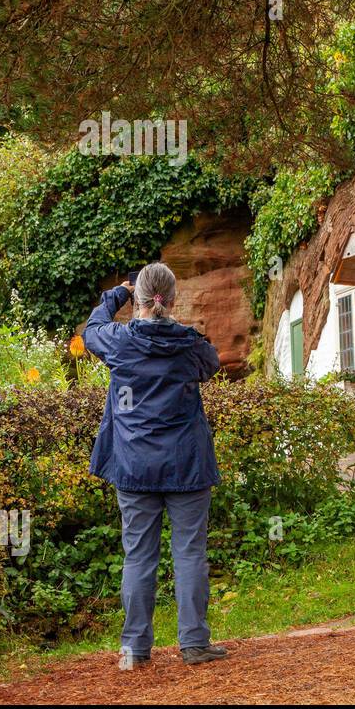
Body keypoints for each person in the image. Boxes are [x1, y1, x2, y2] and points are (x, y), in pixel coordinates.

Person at [83, 262, 228, 666]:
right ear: (172, 298)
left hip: (134, 468)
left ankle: (134, 648)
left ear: (140, 299)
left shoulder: (119, 343)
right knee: (189, 553)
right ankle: (195, 644)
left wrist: (116, 295)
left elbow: (91, 331)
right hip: (187, 465)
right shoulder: (189, 345)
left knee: (139, 557)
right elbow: (211, 363)